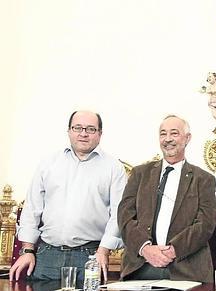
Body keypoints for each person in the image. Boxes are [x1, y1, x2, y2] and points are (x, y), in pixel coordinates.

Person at [9, 110, 127, 282]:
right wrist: (27, 250)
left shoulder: (113, 168)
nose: (83, 133)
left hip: (90, 257)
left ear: (100, 134)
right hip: (46, 255)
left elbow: (119, 214)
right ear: (69, 131)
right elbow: (32, 208)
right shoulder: (48, 163)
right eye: (78, 127)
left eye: (91, 129)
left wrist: (104, 250)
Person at [118, 115, 216, 283]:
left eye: (174, 133)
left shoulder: (204, 179)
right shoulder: (140, 174)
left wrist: (173, 250)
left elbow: (205, 224)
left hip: (186, 269)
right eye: (163, 134)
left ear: (187, 139)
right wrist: (145, 249)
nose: (168, 139)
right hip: (140, 267)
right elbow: (124, 216)